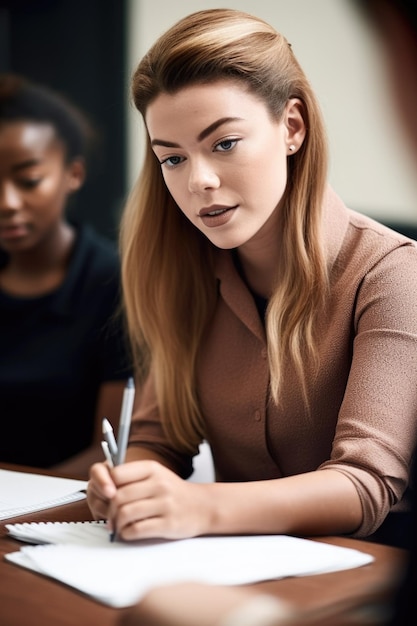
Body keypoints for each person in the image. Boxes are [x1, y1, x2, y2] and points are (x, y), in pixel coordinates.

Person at [88, 6, 417, 550]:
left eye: (223, 143)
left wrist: (199, 505)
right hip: (236, 566)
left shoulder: (391, 274)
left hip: (371, 572)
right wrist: (131, 484)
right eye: (172, 159)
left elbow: (366, 485)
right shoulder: (180, 268)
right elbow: (157, 439)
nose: (200, 182)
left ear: (291, 127)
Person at [0, 73, 132, 479]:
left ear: (73, 174)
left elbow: (109, 451)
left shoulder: (115, 285)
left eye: (29, 180)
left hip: (58, 517)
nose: (6, 202)